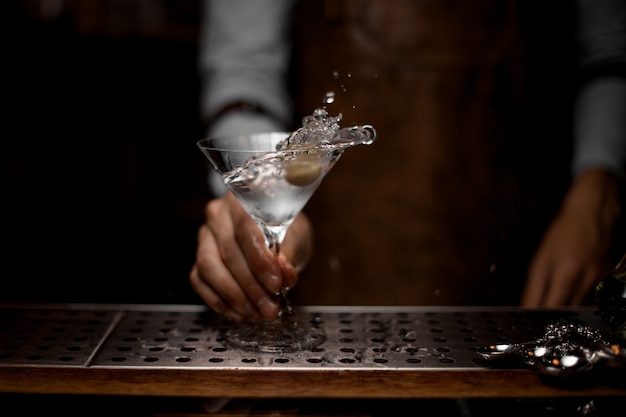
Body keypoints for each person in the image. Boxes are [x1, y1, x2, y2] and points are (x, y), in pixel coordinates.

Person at [191, 0, 625, 323]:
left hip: (526, 254)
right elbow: (244, 70)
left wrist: (597, 190)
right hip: (335, 270)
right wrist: (262, 198)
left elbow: (611, 52)